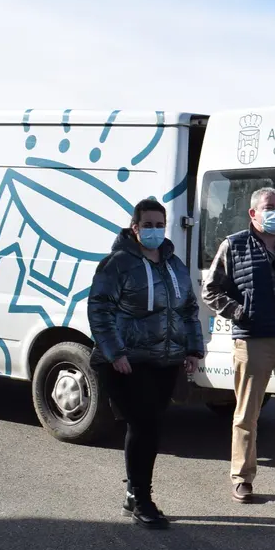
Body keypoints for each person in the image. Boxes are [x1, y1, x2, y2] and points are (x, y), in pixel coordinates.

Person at [203, 187, 275, 504]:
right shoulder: (234, 245)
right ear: (253, 213)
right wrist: (240, 312)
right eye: (270, 207)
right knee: (247, 413)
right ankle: (242, 477)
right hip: (253, 339)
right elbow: (210, 290)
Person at [89, 198, 204, 529]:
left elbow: (188, 309)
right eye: (148, 225)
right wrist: (115, 352)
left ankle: (134, 493)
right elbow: (99, 308)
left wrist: (193, 349)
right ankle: (141, 499)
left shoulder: (174, 264)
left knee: (149, 426)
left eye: (159, 225)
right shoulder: (117, 264)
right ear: (135, 227)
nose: (154, 230)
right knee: (144, 425)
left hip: (165, 360)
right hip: (128, 361)